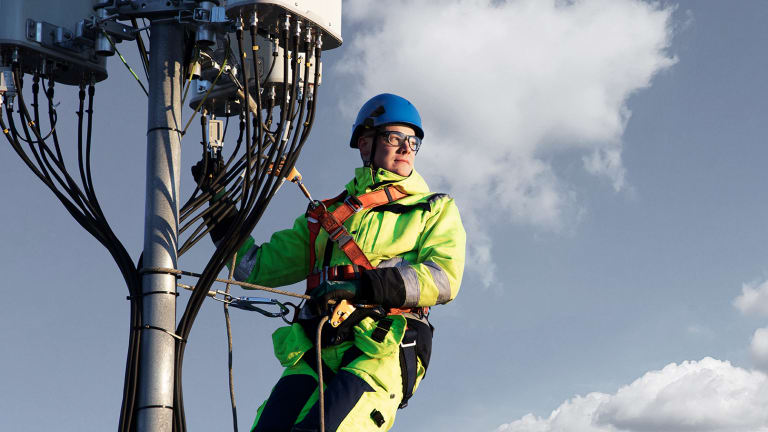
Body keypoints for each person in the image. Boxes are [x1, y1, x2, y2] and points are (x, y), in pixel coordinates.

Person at [200, 93, 466, 431]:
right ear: (365, 143)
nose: (406, 148)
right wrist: (218, 203)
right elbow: (253, 268)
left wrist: (362, 286)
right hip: (318, 346)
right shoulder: (327, 217)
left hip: (380, 348)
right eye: (395, 138)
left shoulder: (433, 208)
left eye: (413, 141)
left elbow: (443, 278)